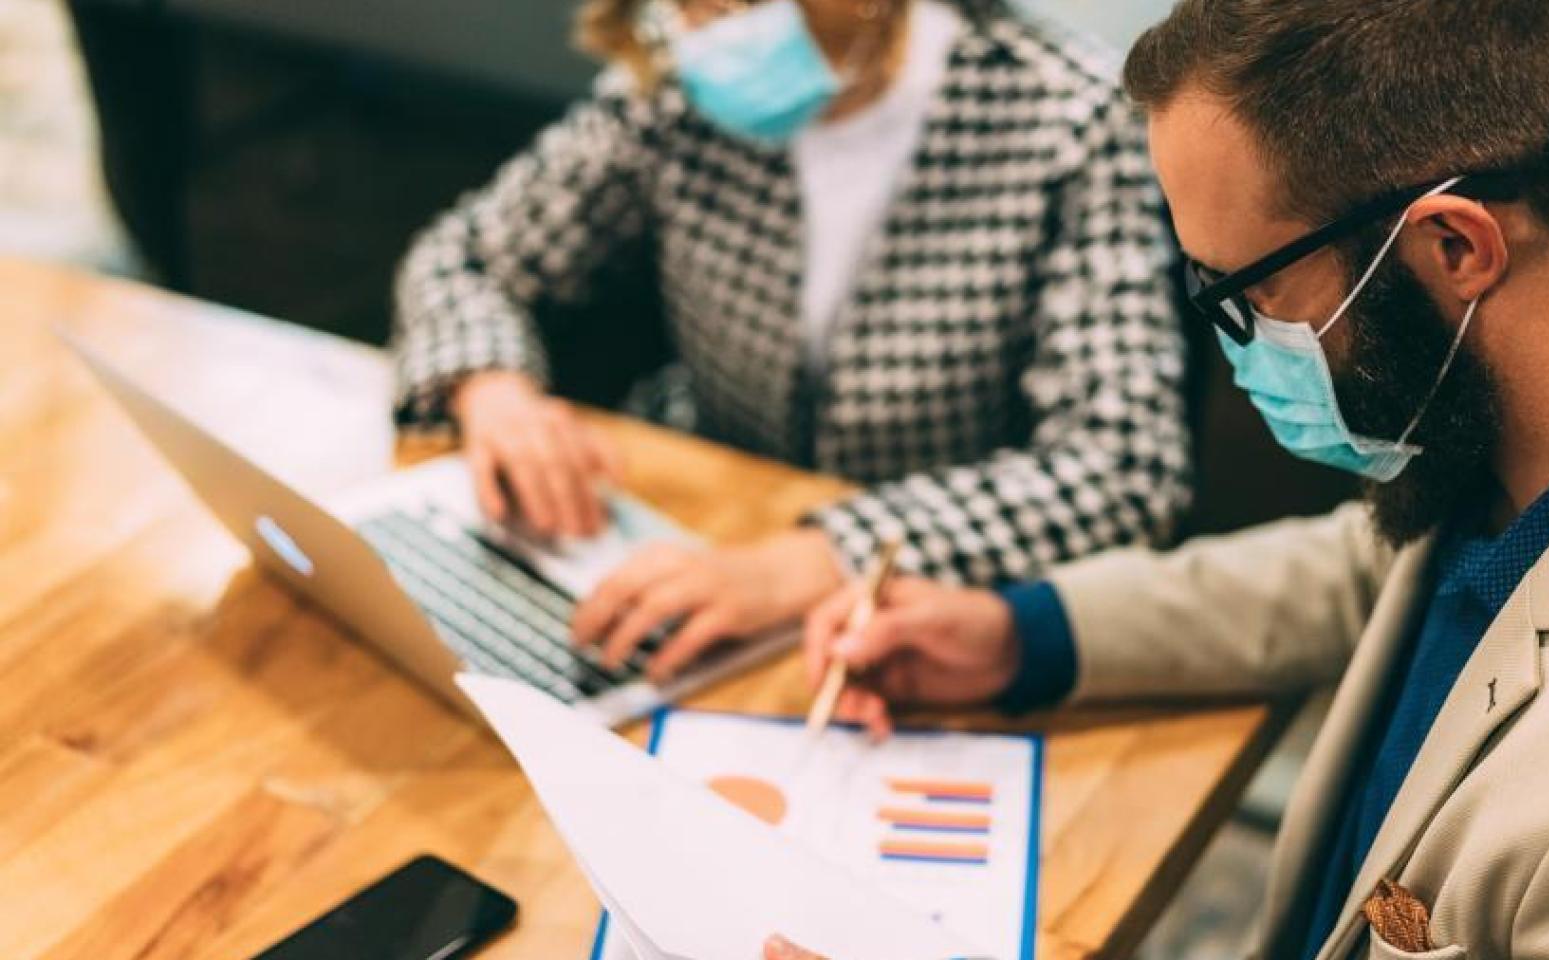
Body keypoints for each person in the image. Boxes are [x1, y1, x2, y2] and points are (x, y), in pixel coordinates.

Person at [770, 0, 1549, 957]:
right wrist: (1017, 636)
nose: (1242, 348)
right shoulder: (1545, 445)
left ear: (1455, 247)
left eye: (1248, 294)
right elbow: (1359, 571)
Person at [390, 0, 1191, 680]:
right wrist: (490, 386)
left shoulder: (1067, 121)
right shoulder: (672, 90)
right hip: (682, 534)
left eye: (740, 2)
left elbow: (1125, 466)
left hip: (923, 604)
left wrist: (822, 557)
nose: (708, 27)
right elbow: (463, 258)